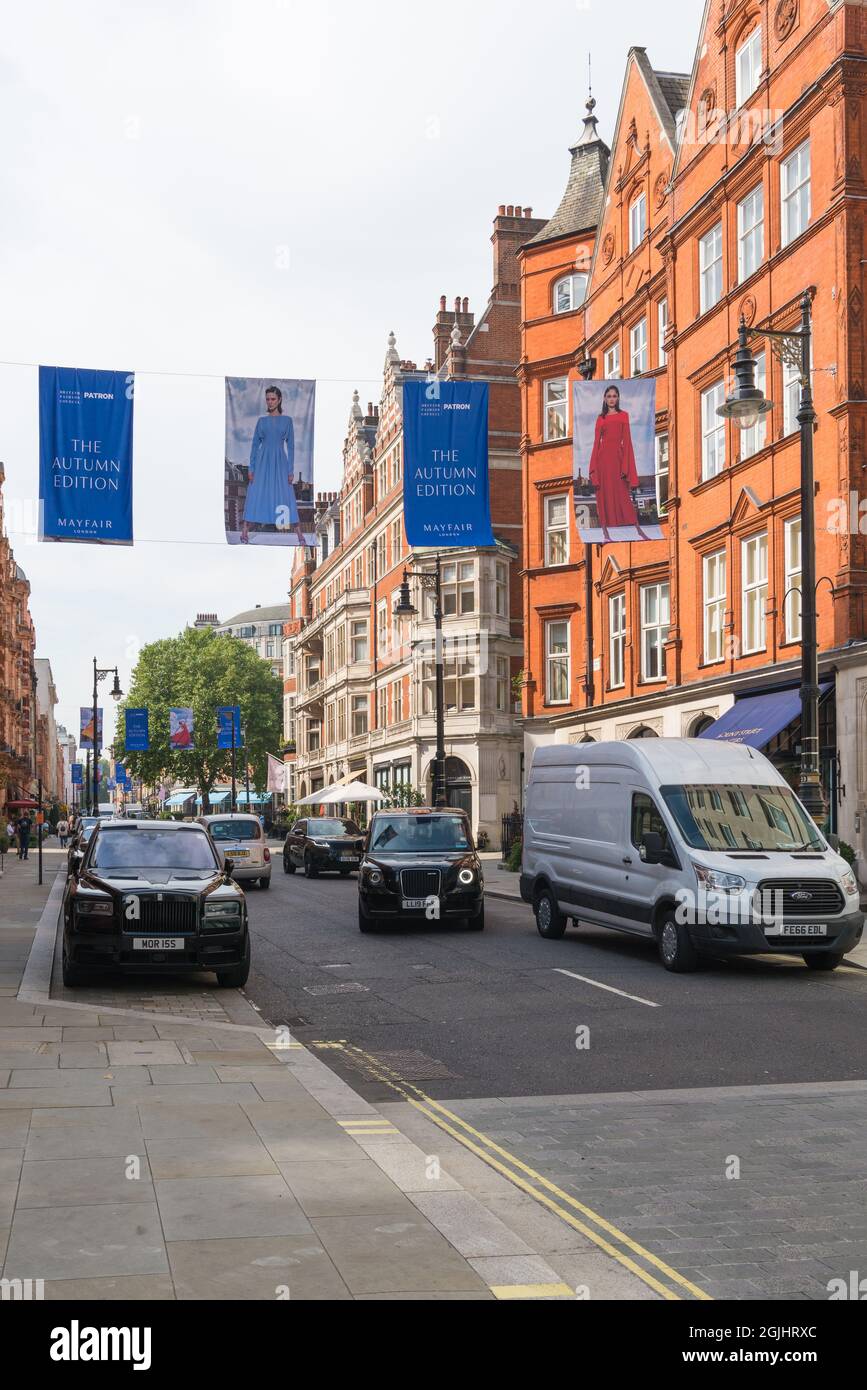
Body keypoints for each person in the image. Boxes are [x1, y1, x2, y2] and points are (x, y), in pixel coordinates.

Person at [241, 386, 306, 546]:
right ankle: (244, 531)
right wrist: (251, 468)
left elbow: (290, 447)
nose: (270, 402)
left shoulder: (287, 421)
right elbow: (255, 446)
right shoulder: (261, 421)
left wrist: (290, 471)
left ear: (279, 400)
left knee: (286, 494)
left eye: (273, 399)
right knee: (256, 493)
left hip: (280, 461)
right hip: (262, 461)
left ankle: (299, 534)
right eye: (268, 399)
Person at [587, 385, 640, 531]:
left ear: (618, 398)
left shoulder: (624, 415)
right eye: (609, 396)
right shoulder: (600, 418)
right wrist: (593, 467)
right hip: (602, 459)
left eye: (614, 396)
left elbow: (627, 441)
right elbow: (596, 443)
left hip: (618, 457)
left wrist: (626, 464)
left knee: (621, 489)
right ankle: (607, 524)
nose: (612, 399)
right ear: (605, 399)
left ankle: (629, 521)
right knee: (605, 491)